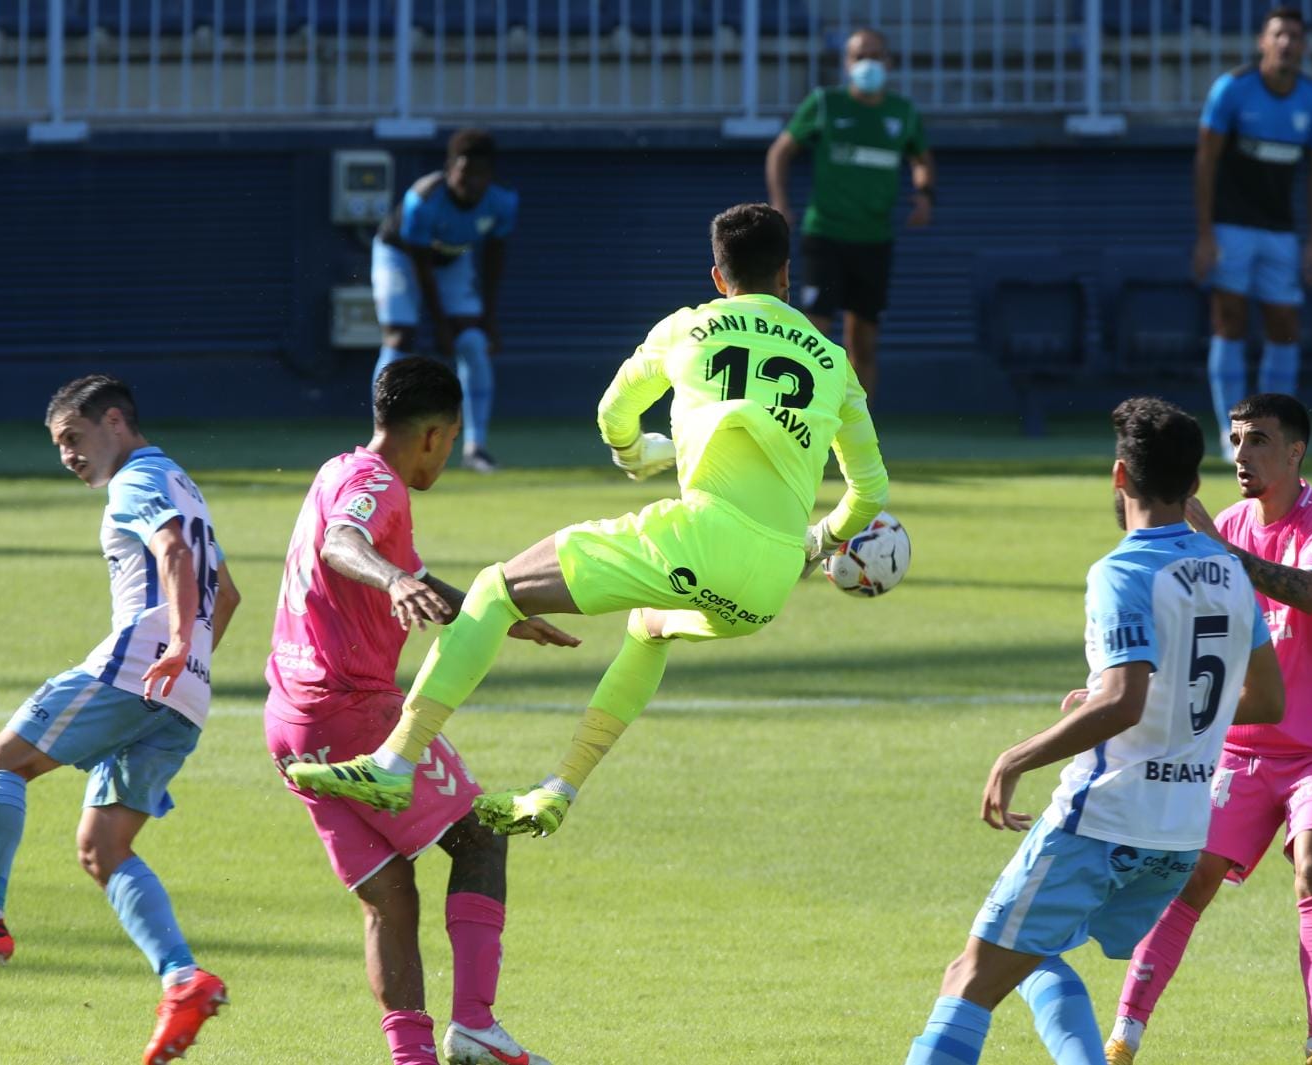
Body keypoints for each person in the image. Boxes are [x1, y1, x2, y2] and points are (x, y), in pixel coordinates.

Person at [287, 202, 890, 843]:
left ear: (718, 277)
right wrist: (815, 543)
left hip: (699, 537)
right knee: (650, 629)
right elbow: (870, 492)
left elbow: (612, 414)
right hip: (766, 585)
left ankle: (393, 762)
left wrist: (635, 454)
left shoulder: (689, 328)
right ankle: (559, 788)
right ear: (786, 275)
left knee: (496, 590)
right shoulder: (833, 359)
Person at [905, 396, 1285, 1065]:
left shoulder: (1121, 571)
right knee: (1032, 952)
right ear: (1195, 484)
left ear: (1119, 476)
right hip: (1177, 833)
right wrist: (1139, 697)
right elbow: (1266, 698)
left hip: (1099, 822)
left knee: (967, 979)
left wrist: (1016, 755)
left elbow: (1123, 701)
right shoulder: (1230, 572)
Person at [0, 375, 242, 1065]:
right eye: (59, 445)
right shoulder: (182, 478)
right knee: (103, 848)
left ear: (114, 421)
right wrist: (188, 664)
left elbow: (172, 550)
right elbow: (227, 593)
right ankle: (183, 977)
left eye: (72, 438)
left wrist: (172, 645)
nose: (66, 456)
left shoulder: (136, 481)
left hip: (136, 668)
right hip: (183, 696)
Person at [265, 357, 577, 1065]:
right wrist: (394, 577)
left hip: (289, 722)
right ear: (436, 434)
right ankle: (473, 1023)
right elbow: (345, 544)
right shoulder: (376, 484)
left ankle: (412, 1059)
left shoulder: (336, 469)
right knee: (479, 837)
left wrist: (492, 613)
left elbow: (375, 551)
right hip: (351, 712)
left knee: (389, 896)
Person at [1106, 394, 1312, 1065]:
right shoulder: (1226, 521)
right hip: (1243, 743)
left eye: (1258, 441)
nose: (1241, 455)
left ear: (1295, 451)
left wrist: (1221, 552)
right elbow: (1191, 630)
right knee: (1192, 879)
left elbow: (1308, 592)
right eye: (1237, 440)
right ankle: (1124, 1036)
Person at [765, 27, 935, 404]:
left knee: (863, 343)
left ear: (889, 62)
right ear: (846, 63)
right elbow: (780, 151)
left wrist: (924, 194)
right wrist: (780, 202)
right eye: (859, 56)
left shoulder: (902, 113)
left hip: (874, 239)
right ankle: (799, 420)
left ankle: (860, 432)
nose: (868, 63)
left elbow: (921, 160)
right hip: (825, 236)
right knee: (812, 334)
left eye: (875, 55)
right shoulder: (826, 104)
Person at [1195, 7, 1312, 457]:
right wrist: (1205, 234)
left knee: (1284, 324)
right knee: (1229, 320)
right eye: (1279, 35)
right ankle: (1229, 431)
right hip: (1231, 227)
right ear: (1262, 41)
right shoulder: (1232, 89)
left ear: (1304, 46)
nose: (1287, 43)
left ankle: (1273, 432)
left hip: (1280, 233)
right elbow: (1206, 161)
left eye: (1295, 36)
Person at [372, 128, 516, 473]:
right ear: (450, 168)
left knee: (473, 341)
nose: (472, 182)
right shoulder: (422, 199)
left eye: (481, 175)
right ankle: (380, 446)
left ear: (490, 175)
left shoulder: (503, 201)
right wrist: (439, 324)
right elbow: (421, 265)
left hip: (453, 259)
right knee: (399, 337)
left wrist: (489, 318)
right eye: (465, 173)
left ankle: (476, 446)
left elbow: (494, 257)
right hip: (402, 258)